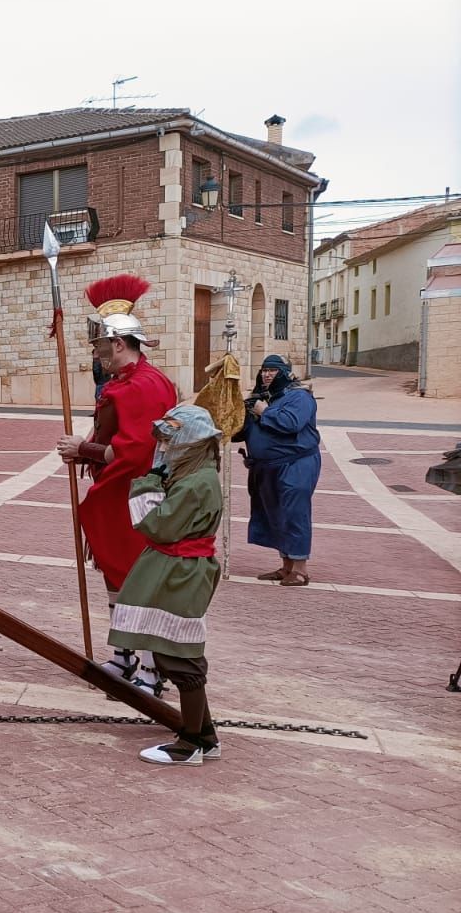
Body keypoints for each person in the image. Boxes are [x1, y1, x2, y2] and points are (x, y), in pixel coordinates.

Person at [57, 273, 179, 695]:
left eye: (99, 344)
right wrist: (89, 447)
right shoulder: (131, 382)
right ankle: (125, 657)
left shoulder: (141, 387)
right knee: (117, 576)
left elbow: (133, 451)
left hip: (136, 497)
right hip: (121, 496)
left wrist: (82, 450)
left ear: (119, 343)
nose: (95, 351)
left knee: (136, 580)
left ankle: (149, 670)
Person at [107, 405, 225, 765]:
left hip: (180, 570)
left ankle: (189, 744)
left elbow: (156, 525)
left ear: (191, 444)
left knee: (179, 655)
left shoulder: (195, 482)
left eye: (170, 441)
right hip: (173, 567)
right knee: (169, 649)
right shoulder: (192, 475)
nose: (163, 448)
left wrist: (149, 482)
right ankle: (205, 736)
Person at [237, 354, 321, 586]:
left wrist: (264, 412)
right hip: (266, 468)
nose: (266, 374)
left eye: (272, 370)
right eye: (264, 370)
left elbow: (291, 423)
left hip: (296, 464)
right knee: (275, 515)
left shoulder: (299, 397)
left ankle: (300, 569)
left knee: (294, 513)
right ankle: (286, 566)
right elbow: (240, 432)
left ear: (284, 373)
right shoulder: (258, 399)